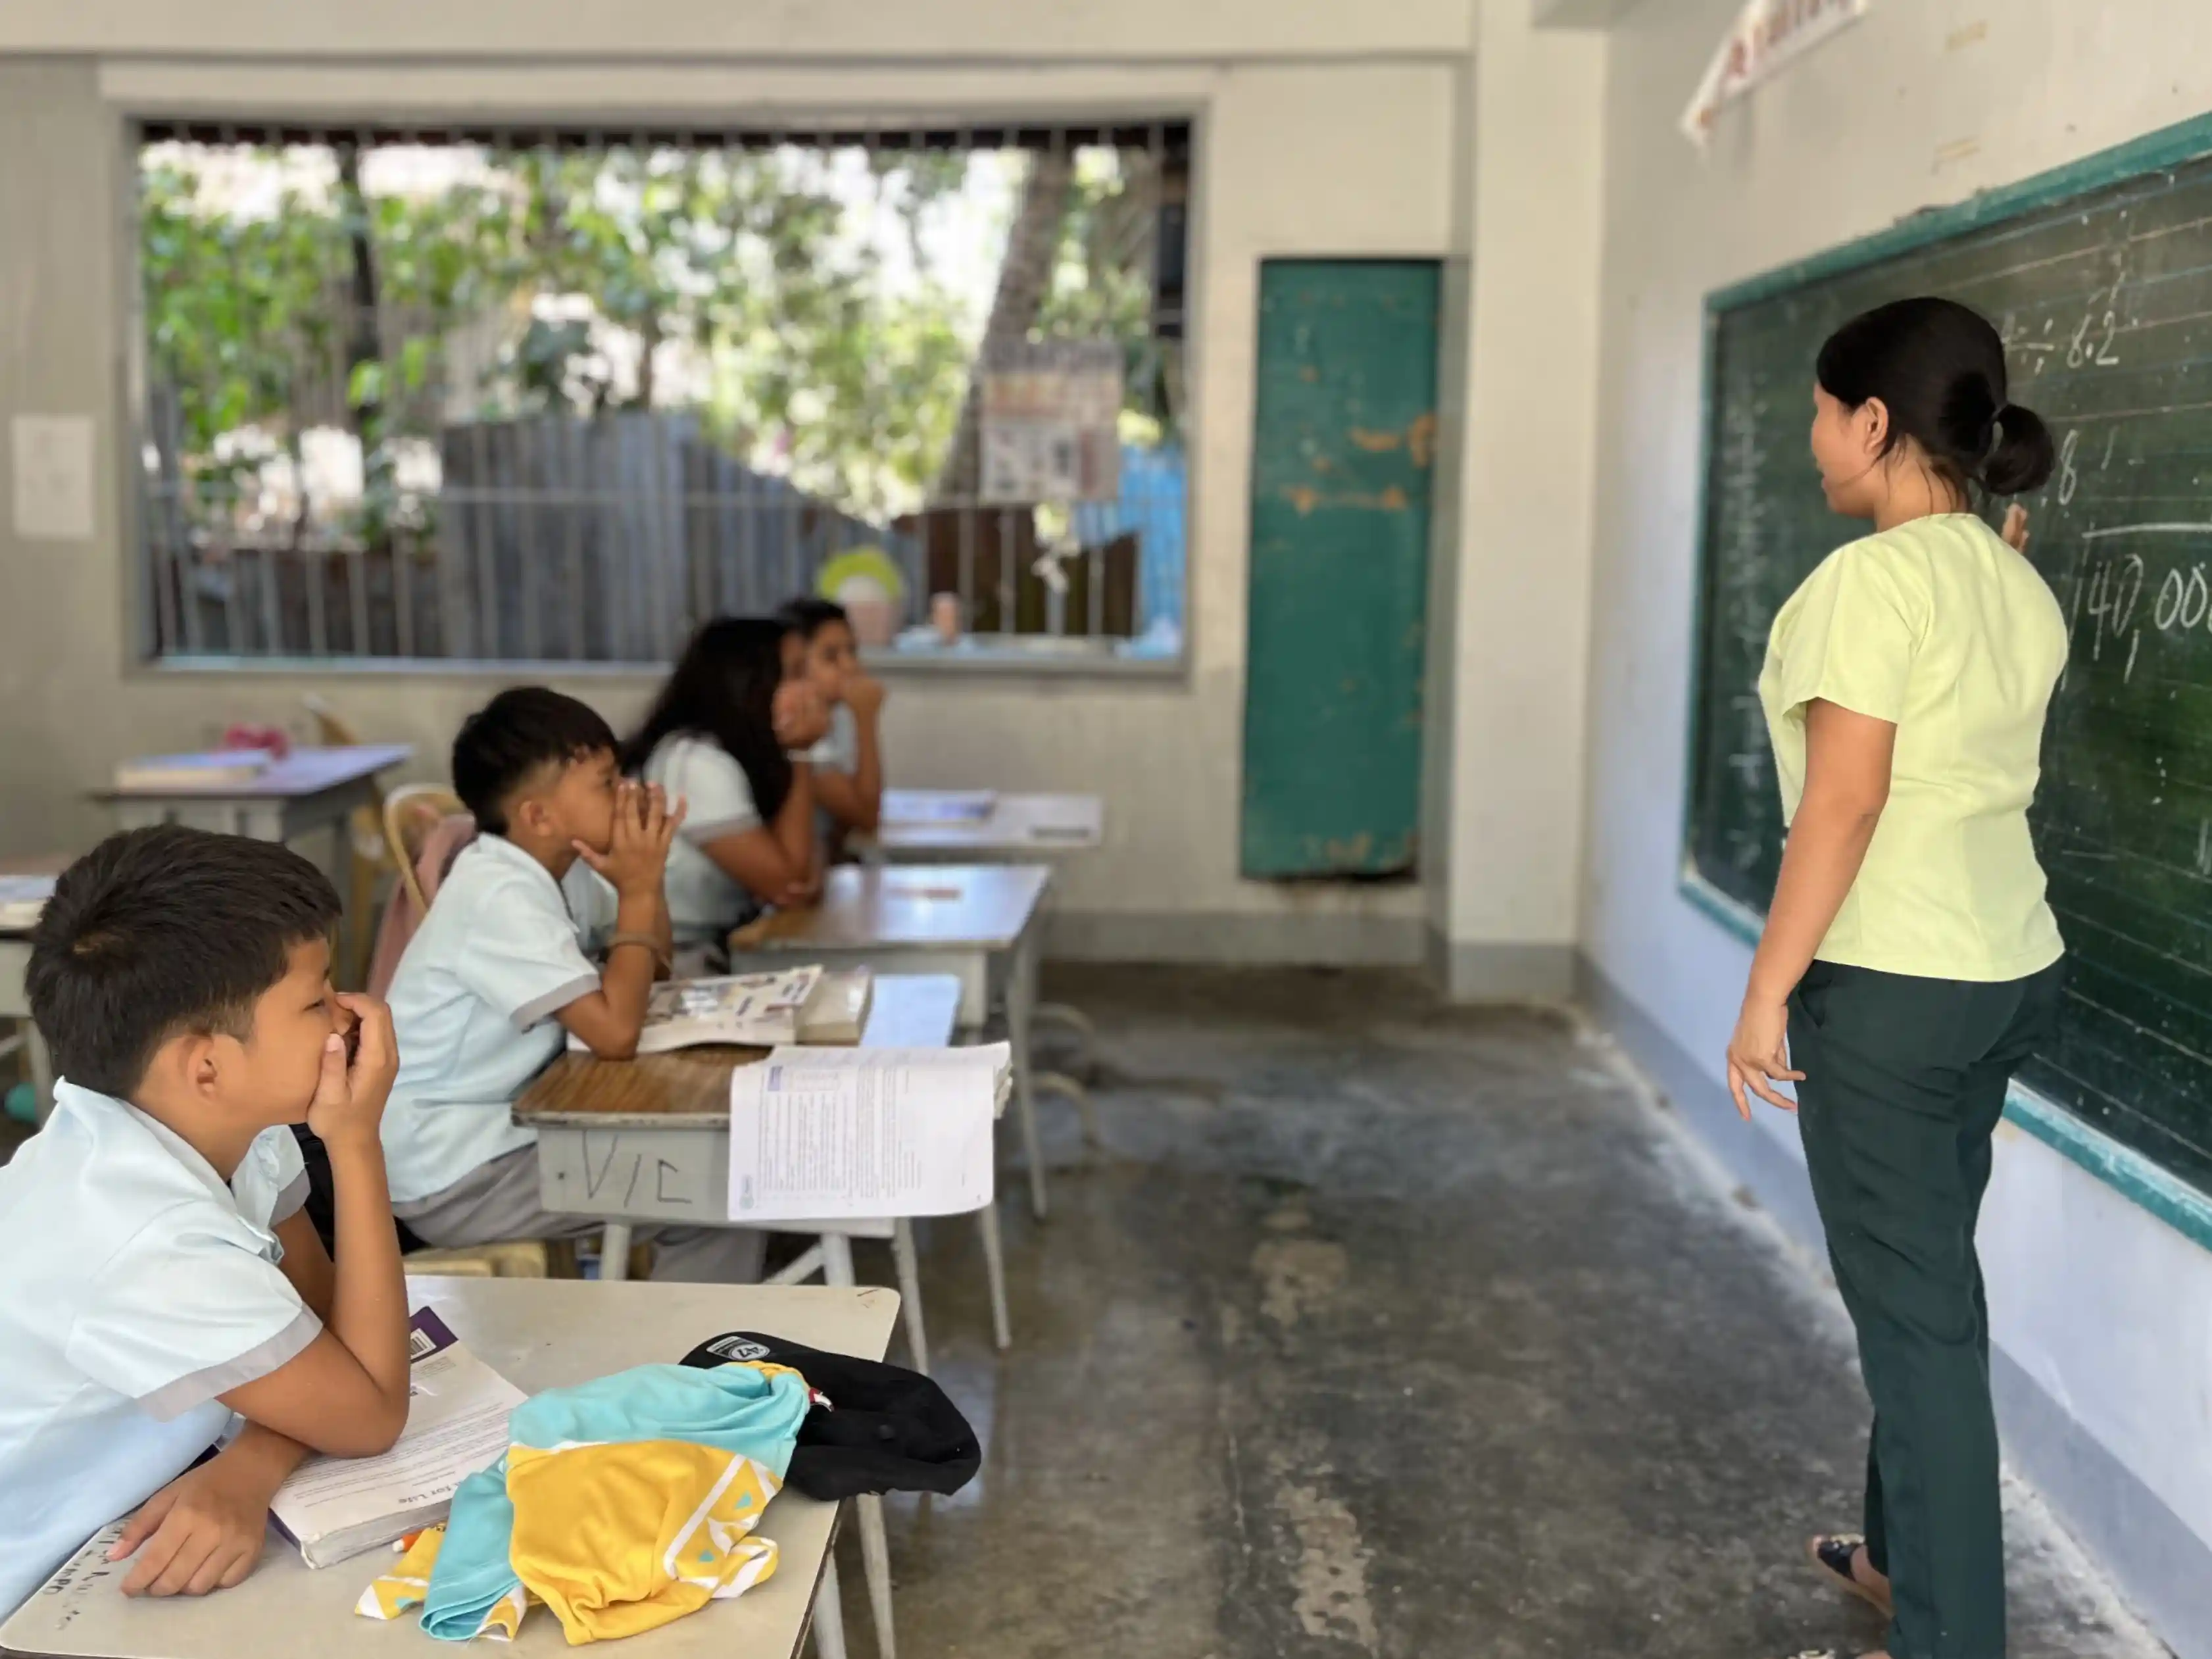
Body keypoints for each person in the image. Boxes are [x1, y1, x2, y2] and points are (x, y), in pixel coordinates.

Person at [1725, 297, 2067, 1659]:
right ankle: (1892, 1559)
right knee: (1921, 1285)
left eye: (1820, 412)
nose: (1810, 437)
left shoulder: (1866, 586)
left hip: (1888, 993)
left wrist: (1767, 988)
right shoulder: (2009, 578)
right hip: (2001, 976)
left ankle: (1949, 1636)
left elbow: (1844, 800)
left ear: (1871, 423)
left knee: (1920, 1328)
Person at [0, 827, 410, 1617]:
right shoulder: (143, 1238)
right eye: (316, 999)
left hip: (128, 1523)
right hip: (36, 1596)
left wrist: (253, 1460)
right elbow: (371, 1412)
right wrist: (356, 1142)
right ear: (207, 1067)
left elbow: (325, 1327)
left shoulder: (223, 1131)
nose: (349, 1015)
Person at [381, 686, 762, 1282]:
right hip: (455, 1174)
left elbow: (652, 968)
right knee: (722, 1193)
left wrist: (644, 881)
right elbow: (614, 1033)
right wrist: (638, 891)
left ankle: (684, 1329)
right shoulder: (498, 896)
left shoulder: (563, 868)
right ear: (539, 817)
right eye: (607, 784)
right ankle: (696, 1343)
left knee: (714, 1173)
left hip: (508, 1133)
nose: (628, 793)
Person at [624, 617, 833, 956]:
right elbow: (791, 886)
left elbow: (809, 873)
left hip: (719, 941)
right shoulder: (695, 761)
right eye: (796, 674)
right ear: (749, 684)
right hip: (675, 952)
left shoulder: (747, 754)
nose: (814, 689)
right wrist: (801, 753)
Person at [779, 596, 887, 852]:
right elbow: (867, 818)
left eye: (852, 652)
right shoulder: (798, 732)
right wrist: (866, 719)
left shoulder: (828, 719)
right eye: (831, 656)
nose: (850, 666)